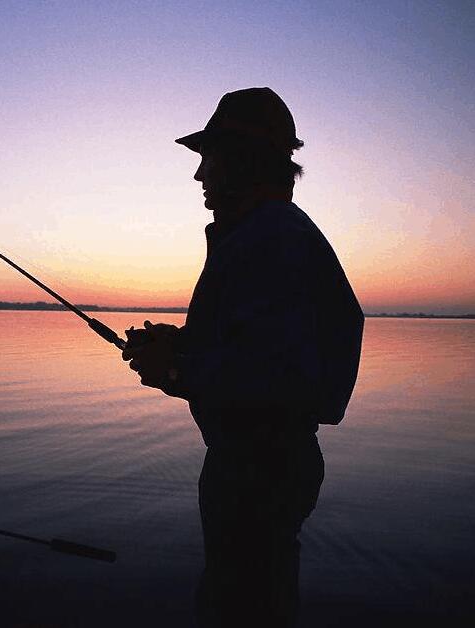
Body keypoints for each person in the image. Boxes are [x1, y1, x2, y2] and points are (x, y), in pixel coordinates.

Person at [122, 87, 363, 627]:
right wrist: (179, 343)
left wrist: (179, 369)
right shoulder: (264, 236)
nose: (199, 176)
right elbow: (261, 343)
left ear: (243, 162)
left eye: (209, 159)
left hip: (260, 470)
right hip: (258, 464)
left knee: (241, 607)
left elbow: (287, 377)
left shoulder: (273, 239)